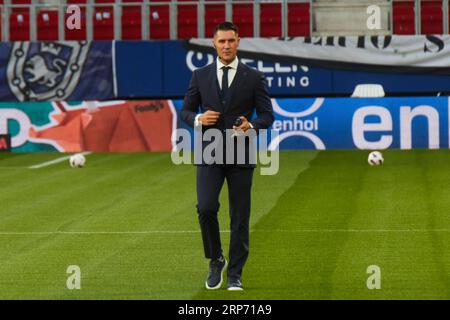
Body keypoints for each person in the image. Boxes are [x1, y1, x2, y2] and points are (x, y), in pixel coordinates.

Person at [181, 21, 274, 291]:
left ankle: (235, 274)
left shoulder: (254, 77)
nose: (226, 46)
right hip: (210, 151)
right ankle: (216, 259)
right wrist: (198, 117)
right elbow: (185, 111)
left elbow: (268, 115)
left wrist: (251, 125)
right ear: (214, 44)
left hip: (240, 152)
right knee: (206, 207)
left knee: (240, 216)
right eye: (221, 41)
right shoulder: (200, 75)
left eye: (231, 41)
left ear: (238, 41)